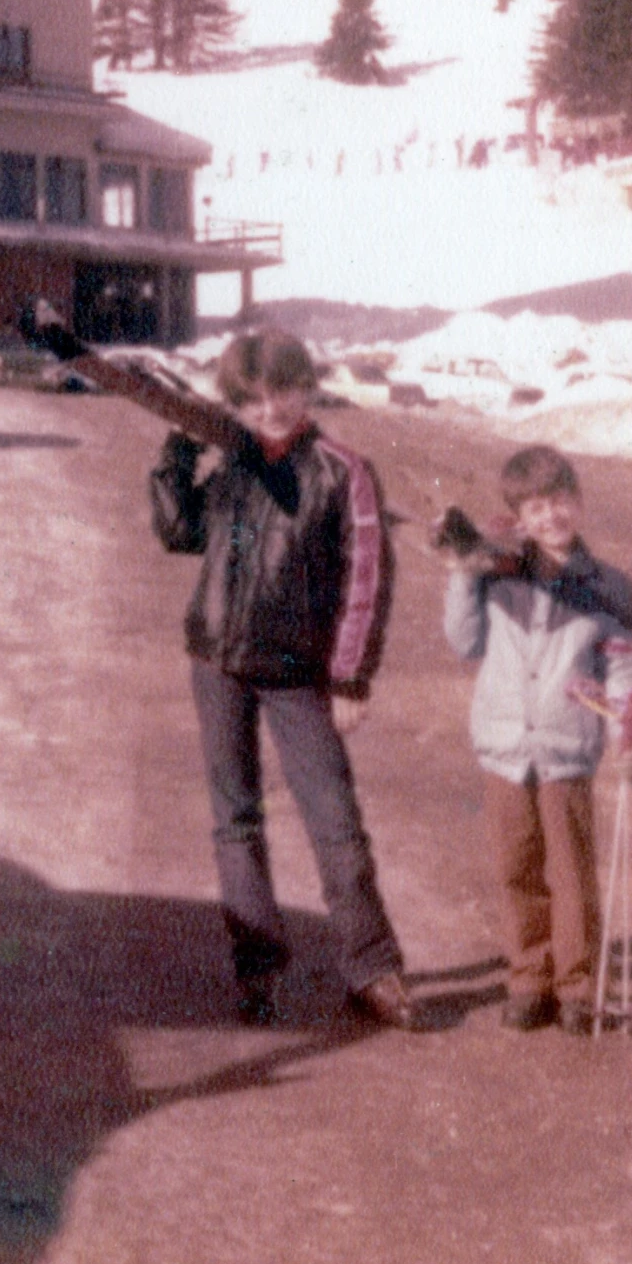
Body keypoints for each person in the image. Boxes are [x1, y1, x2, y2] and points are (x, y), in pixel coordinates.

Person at [149, 331, 415, 1031]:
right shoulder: (235, 466)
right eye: (252, 397)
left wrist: (352, 677)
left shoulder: (341, 471)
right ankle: (256, 972)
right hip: (217, 663)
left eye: (283, 390)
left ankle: (371, 967)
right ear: (236, 401)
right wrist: (178, 454)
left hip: (298, 675)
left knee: (335, 821)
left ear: (307, 387)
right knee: (234, 820)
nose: (269, 407)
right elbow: (183, 533)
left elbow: (367, 578)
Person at [443, 446, 632, 1034]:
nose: (551, 515)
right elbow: (464, 643)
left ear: (577, 502)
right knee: (516, 867)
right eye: (535, 506)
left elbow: (621, 670)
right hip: (505, 746)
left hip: (566, 747)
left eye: (559, 500)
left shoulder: (609, 587)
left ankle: (578, 986)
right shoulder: (498, 573)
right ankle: (530, 977)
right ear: (520, 516)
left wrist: (626, 729)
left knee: (572, 872)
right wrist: (462, 570)